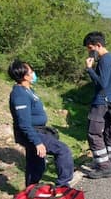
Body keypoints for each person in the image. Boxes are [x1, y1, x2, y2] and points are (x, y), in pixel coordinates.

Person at [8, 60, 74, 188]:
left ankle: (30, 190)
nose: (33, 74)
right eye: (31, 72)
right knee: (62, 150)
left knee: (36, 164)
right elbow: (24, 123)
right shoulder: (19, 94)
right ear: (25, 76)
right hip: (32, 133)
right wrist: (38, 142)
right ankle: (63, 185)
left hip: (38, 130)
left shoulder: (28, 90)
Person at [83, 31, 111, 179]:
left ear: (98, 45)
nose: (89, 52)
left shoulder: (104, 60)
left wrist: (90, 69)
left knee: (94, 132)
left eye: (90, 48)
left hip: (102, 102)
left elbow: (102, 83)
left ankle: (104, 167)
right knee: (109, 132)